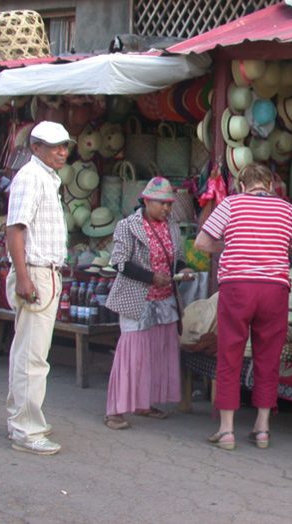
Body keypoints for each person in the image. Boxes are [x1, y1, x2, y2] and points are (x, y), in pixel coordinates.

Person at [196, 162, 292, 450]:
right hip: (274, 291)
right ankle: (262, 428)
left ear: (242, 184)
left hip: (237, 288)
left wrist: (230, 245)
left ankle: (227, 431)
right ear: (270, 185)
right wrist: (280, 246)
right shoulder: (285, 209)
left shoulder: (231, 204)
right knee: (268, 357)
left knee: (230, 355)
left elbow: (202, 242)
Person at [104, 177, 194, 430]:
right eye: (161, 204)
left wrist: (183, 270)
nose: (166, 209)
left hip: (164, 299)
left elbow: (177, 259)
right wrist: (151, 277)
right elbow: (119, 262)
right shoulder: (127, 226)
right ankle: (115, 410)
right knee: (131, 354)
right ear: (146, 200)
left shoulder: (172, 226)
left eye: (169, 204)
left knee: (156, 353)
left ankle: (144, 402)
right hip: (137, 296)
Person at [5, 121, 71, 455]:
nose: (62, 152)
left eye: (64, 146)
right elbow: (15, 229)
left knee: (26, 352)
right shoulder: (31, 178)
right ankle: (27, 430)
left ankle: (20, 420)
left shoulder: (47, 179)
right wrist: (25, 276)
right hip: (36, 271)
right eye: (54, 146)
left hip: (44, 272)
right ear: (36, 148)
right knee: (33, 357)